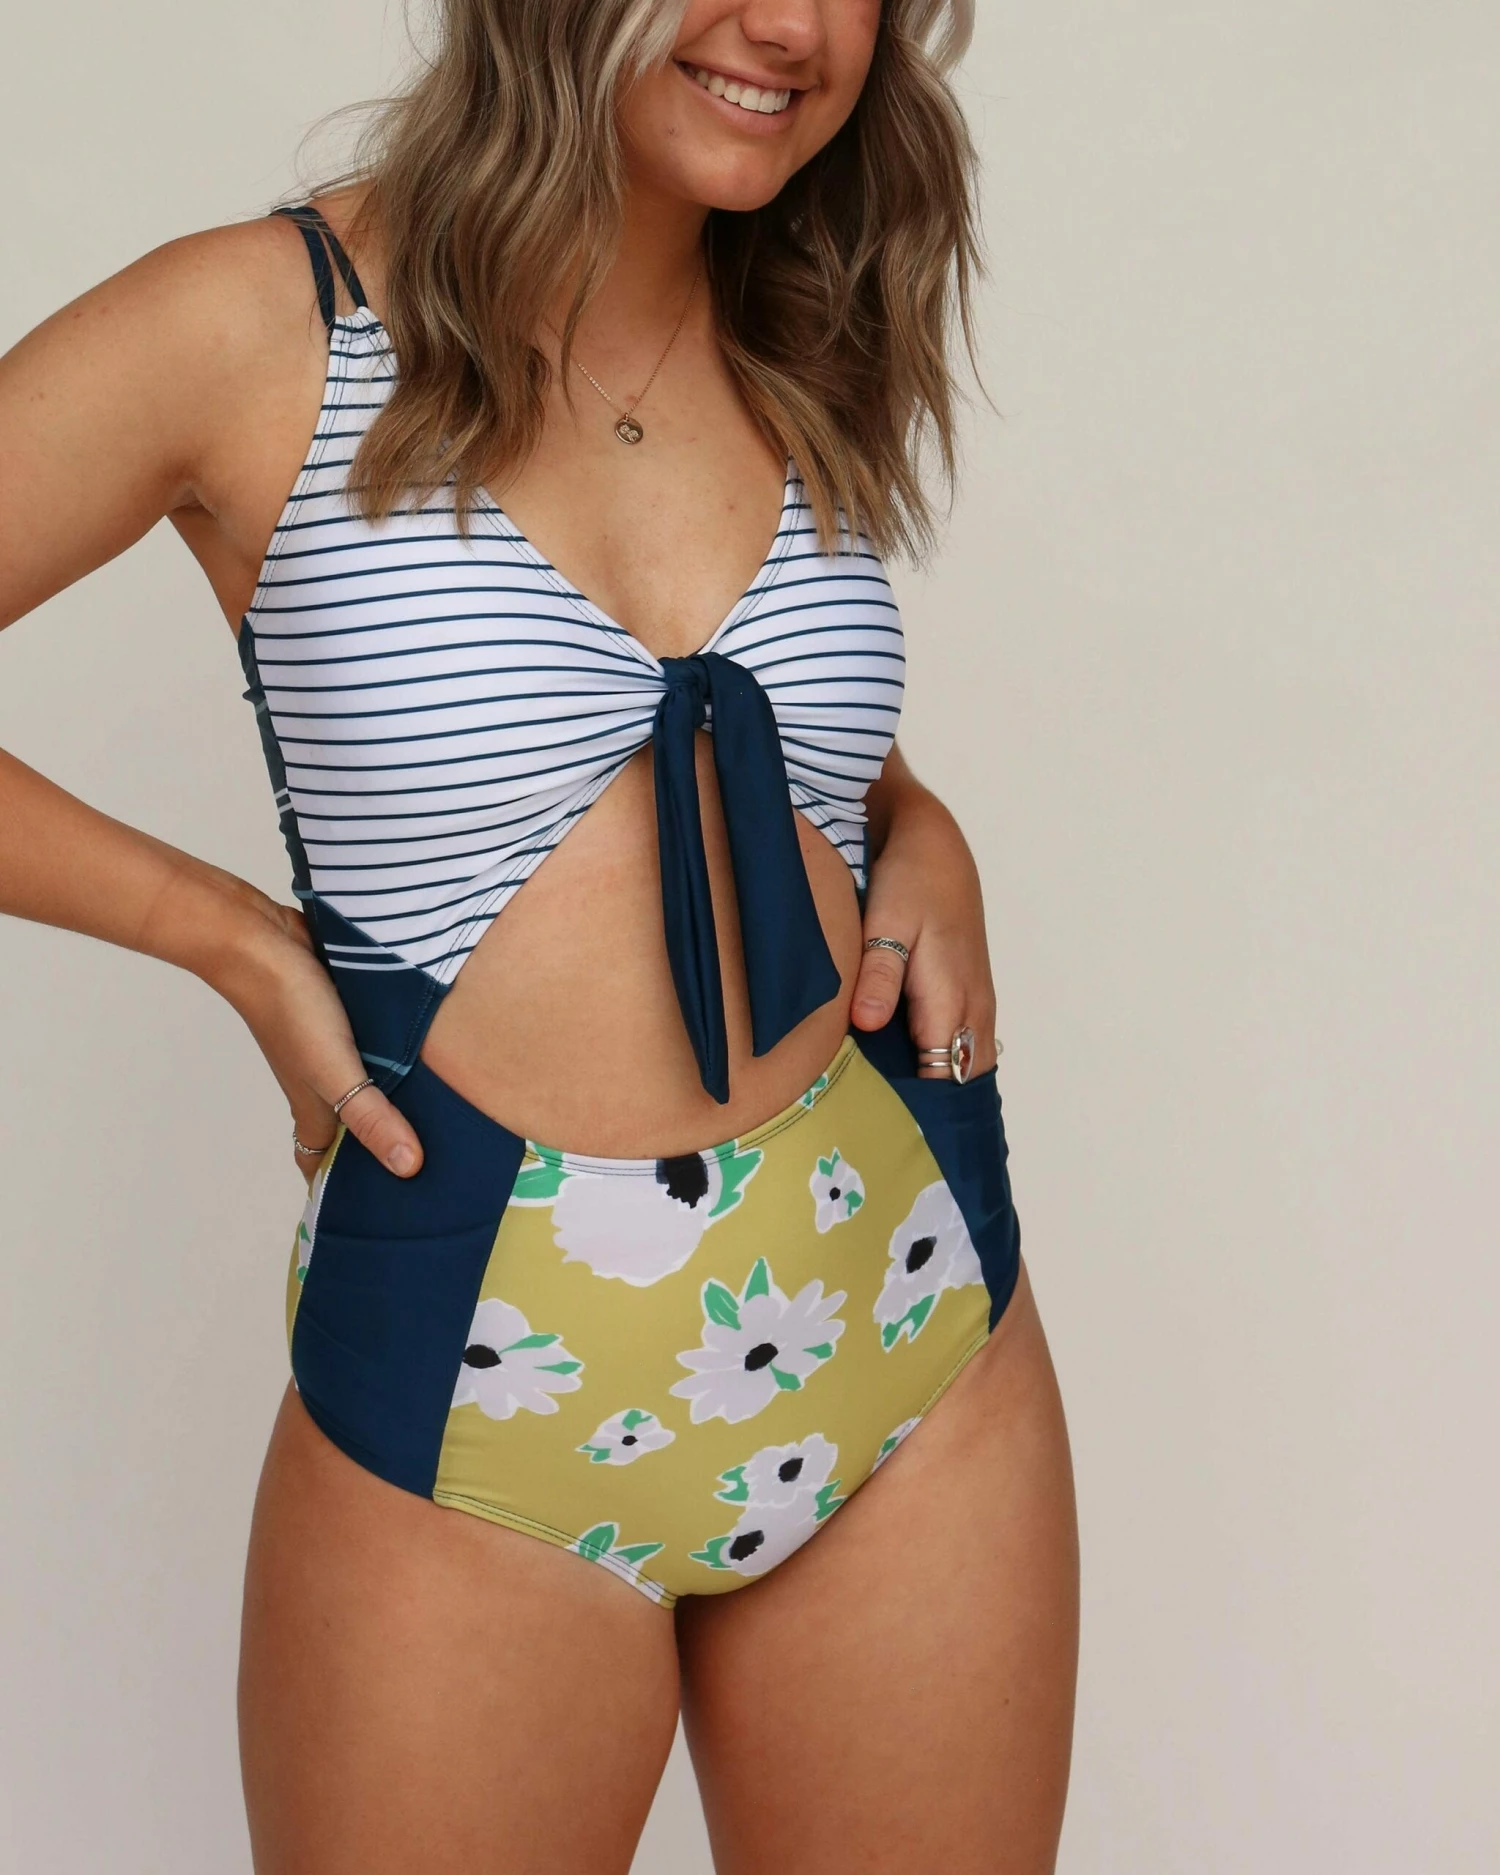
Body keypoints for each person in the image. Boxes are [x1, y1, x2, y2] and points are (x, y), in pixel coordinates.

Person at [0, 2, 1080, 1869]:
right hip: (481, 1374)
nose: (792, 25)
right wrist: (233, 938)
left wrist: (922, 821)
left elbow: (756, 721)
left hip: (901, 1314)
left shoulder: (785, 305)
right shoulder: (257, 327)